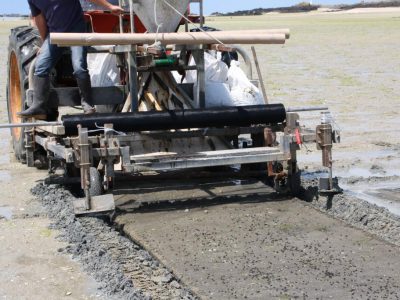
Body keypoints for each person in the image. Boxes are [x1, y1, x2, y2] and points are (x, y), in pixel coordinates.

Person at [18, 0, 124, 119]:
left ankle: (87, 104)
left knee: (79, 67)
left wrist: (109, 6)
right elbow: (38, 18)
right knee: (41, 66)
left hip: (76, 31)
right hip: (55, 33)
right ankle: (39, 106)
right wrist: (44, 43)